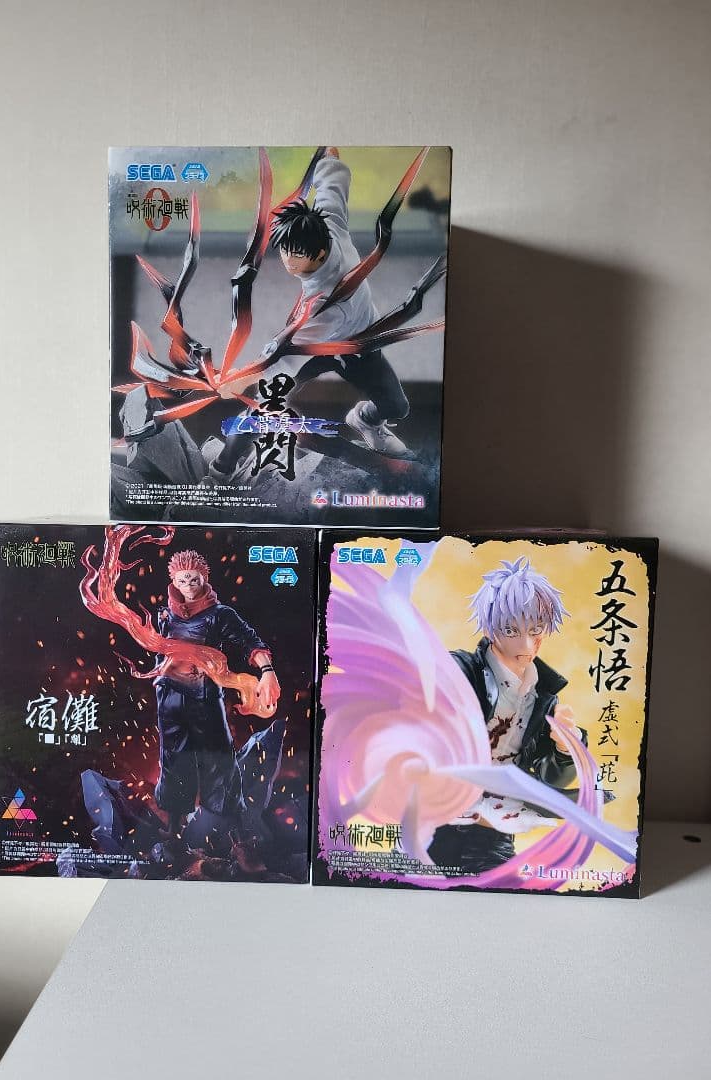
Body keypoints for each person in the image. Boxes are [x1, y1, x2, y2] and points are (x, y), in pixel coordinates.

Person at [208, 146, 414, 481]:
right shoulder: (329, 224)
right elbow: (332, 188)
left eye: (297, 255)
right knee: (266, 405)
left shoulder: (324, 306)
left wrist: (243, 378)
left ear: (318, 253)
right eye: (285, 251)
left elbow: (285, 355)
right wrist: (330, 159)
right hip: (317, 348)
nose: (288, 262)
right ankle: (222, 469)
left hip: (354, 346)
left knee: (396, 406)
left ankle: (365, 420)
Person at [428, 557, 582, 875]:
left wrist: (564, 750)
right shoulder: (461, 671)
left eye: (535, 630)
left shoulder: (543, 698)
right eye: (511, 630)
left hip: (496, 827)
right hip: (436, 819)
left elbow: (549, 778)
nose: (526, 644)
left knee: (499, 890)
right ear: (490, 629)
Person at [153, 549, 280, 834]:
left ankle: (228, 826)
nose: (188, 586)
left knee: (218, 757)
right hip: (169, 696)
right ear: (174, 581)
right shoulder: (165, 614)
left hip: (205, 697)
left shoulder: (219, 614)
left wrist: (267, 671)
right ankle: (174, 825)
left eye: (193, 580)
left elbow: (249, 640)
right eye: (182, 580)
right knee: (173, 757)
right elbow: (158, 649)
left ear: (204, 578)